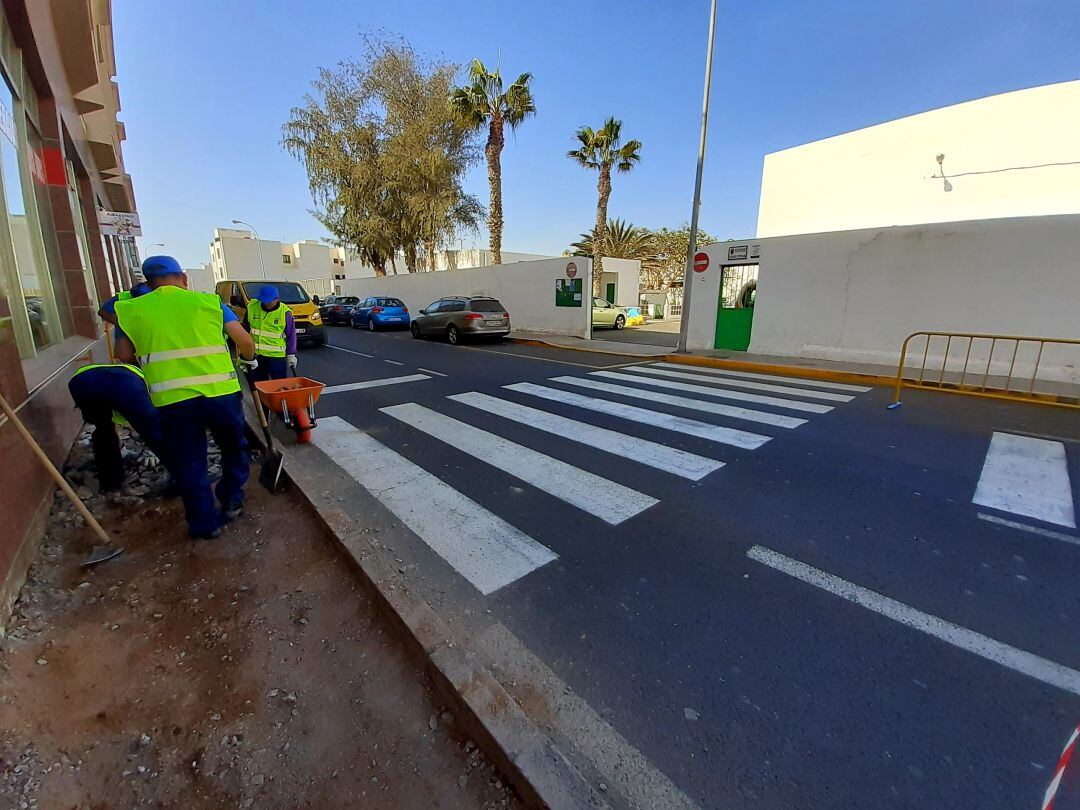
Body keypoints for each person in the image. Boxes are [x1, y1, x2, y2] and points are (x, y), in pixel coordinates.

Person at [115, 255, 257, 540]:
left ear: (147, 282)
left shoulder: (129, 310)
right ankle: (231, 500)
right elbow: (245, 341)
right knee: (233, 447)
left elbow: (124, 355)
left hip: (173, 401)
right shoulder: (209, 303)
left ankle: (205, 524)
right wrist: (249, 360)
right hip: (221, 395)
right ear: (184, 278)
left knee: (189, 460)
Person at [67, 362, 166, 493]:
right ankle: (181, 478)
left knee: (103, 429)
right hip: (125, 386)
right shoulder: (145, 387)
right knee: (155, 434)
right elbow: (150, 421)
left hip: (80, 383)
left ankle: (111, 483)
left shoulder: (133, 374)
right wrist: (153, 444)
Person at [244, 284, 297, 381]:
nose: (265, 303)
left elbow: (291, 334)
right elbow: (244, 332)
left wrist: (291, 354)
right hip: (257, 356)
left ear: (277, 299)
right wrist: (245, 356)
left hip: (276, 357)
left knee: (279, 386)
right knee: (260, 386)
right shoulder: (252, 307)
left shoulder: (285, 312)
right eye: (263, 300)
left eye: (269, 301)